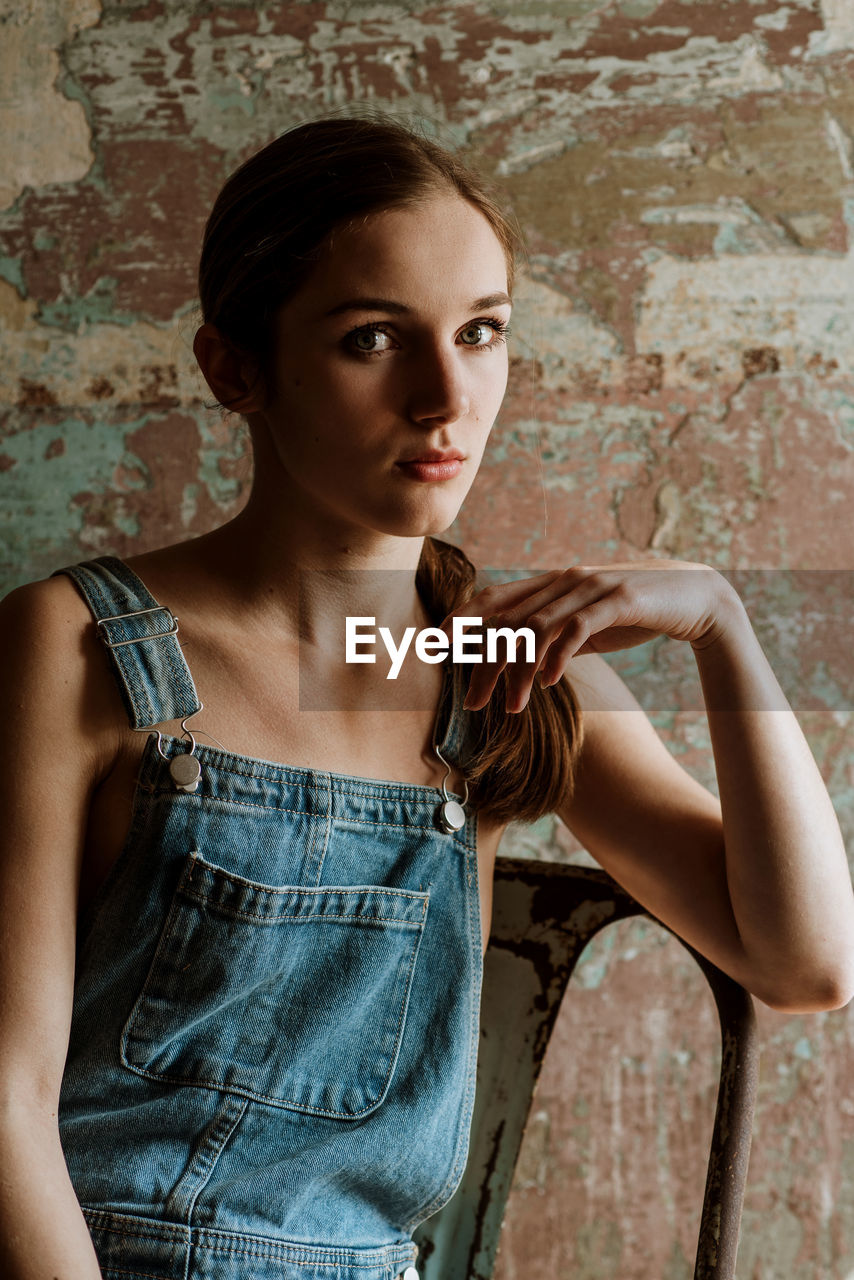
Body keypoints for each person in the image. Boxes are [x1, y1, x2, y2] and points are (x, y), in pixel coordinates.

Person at [0, 115, 852, 1280]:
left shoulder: (507, 675)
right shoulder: (76, 645)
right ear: (234, 366)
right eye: (372, 339)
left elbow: (804, 963)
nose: (445, 396)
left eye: (482, 332)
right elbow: (4, 1093)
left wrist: (721, 625)